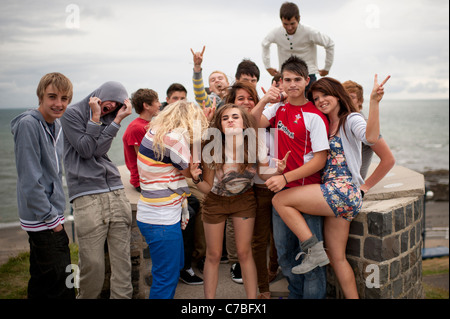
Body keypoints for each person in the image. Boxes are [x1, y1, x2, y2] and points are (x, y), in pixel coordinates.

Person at [272, 75, 390, 299]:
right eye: (316, 98)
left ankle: (313, 250)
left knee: (280, 199)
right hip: (340, 197)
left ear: (337, 94)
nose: (321, 101)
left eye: (325, 95)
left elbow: (373, 139)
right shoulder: (326, 124)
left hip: (341, 190)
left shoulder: (351, 119)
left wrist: (374, 102)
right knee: (337, 258)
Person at [190, 103, 288, 299]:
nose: (230, 120)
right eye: (225, 118)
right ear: (219, 124)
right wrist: (195, 177)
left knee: (244, 253)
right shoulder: (212, 146)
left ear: (244, 123)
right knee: (214, 255)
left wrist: (279, 170)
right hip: (215, 202)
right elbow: (206, 188)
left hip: (244, 201)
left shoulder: (254, 143)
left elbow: (262, 173)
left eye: (235, 117)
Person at [252, 55, 330, 299]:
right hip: (282, 193)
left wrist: (285, 178)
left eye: (297, 79)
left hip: (306, 194)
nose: (292, 84)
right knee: (285, 257)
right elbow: (251, 123)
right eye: (287, 80)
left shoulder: (314, 115)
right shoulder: (278, 108)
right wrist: (265, 98)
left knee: (312, 260)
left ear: (307, 81)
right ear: (280, 82)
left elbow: (320, 160)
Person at [61, 81, 133, 299]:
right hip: (87, 195)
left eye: (118, 106)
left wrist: (118, 120)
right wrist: (94, 118)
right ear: (103, 94)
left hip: (115, 191)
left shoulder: (110, 118)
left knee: (123, 264)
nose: (111, 108)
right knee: (92, 264)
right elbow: (84, 150)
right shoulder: (71, 114)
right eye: (112, 102)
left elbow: (99, 150)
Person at [11, 72, 75, 299]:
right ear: (41, 96)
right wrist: (52, 219)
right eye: (52, 97)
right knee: (63, 281)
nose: (59, 104)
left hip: (51, 213)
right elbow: (29, 180)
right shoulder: (29, 125)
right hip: (43, 218)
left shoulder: (55, 125)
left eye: (64, 98)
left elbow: (53, 172)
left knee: (43, 278)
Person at [136, 100, 209, 298]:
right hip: (162, 219)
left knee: (169, 270)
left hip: (152, 213)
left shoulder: (156, 131)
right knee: (165, 280)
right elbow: (190, 170)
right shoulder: (175, 139)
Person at [261, 1, 335, 92]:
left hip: (308, 75)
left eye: (292, 23)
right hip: (286, 76)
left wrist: (326, 68)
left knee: (309, 103)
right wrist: (268, 66)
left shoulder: (309, 32)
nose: (289, 27)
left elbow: (329, 44)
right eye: (285, 24)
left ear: (299, 19)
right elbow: (265, 44)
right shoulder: (276, 32)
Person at [342, 80, 395, 190]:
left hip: (351, 186)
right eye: (343, 96)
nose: (346, 101)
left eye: (351, 97)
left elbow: (388, 159)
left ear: (360, 101)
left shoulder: (364, 124)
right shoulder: (341, 121)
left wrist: (366, 186)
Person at [123, 88, 161, 192]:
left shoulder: (147, 125)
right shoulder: (136, 128)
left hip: (152, 177)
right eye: (157, 101)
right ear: (146, 106)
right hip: (143, 181)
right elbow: (144, 159)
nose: (160, 104)